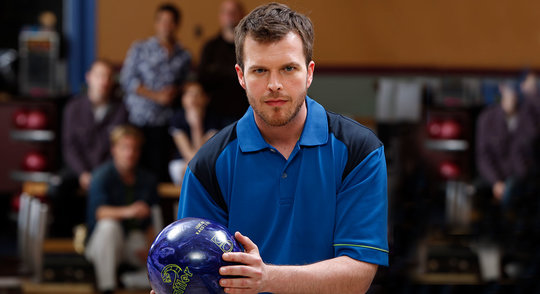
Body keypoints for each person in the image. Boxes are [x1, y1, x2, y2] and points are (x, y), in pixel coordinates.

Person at [152, 3, 389, 293]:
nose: (274, 84)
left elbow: (358, 274)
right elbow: (194, 276)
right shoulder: (207, 166)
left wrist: (268, 278)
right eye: (260, 70)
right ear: (241, 76)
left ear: (309, 72)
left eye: (288, 68)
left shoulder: (359, 152)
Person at [49, 59, 128, 237]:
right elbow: (69, 146)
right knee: (57, 187)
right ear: (89, 78)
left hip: (107, 169)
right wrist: (83, 173)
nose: (104, 81)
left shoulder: (121, 109)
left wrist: (98, 174)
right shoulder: (73, 108)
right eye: (100, 76)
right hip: (77, 168)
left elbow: (118, 148)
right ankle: (63, 239)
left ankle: (96, 237)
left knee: (111, 185)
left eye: (109, 77)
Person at [120, 3, 191, 181]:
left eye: (170, 22)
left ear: (176, 25)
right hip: (139, 119)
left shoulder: (184, 55)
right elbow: (127, 80)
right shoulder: (140, 48)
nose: (166, 25)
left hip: (166, 122)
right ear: (156, 23)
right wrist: (156, 96)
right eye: (162, 21)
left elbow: (187, 83)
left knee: (161, 173)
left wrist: (175, 92)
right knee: (138, 172)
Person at [86, 125, 159, 294]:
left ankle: (132, 281)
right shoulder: (101, 175)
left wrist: (151, 248)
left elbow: (151, 221)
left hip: (132, 241)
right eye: (125, 148)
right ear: (114, 150)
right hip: (101, 243)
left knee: (157, 250)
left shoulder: (147, 178)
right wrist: (131, 211)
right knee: (109, 227)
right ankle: (108, 288)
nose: (130, 153)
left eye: (134, 149)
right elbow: (100, 212)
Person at [198, 0, 249, 124]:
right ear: (220, 17)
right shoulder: (210, 47)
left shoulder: (250, 46)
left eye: (233, 12)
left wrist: (218, 71)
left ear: (242, 15)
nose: (229, 16)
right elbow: (202, 79)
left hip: (246, 111)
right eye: (226, 12)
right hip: (216, 114)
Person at [168, 81, 221, 185]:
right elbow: (190, 156)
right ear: (183, 99)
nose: (193, 98)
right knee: (186, 170)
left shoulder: (214, 120)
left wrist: (197, 126)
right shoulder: (177, 119)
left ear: (206, 98)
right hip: (183, 162)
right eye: (189, 94)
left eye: (197, 94)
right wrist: (194, 125)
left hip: (206, 162)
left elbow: (202, 155)